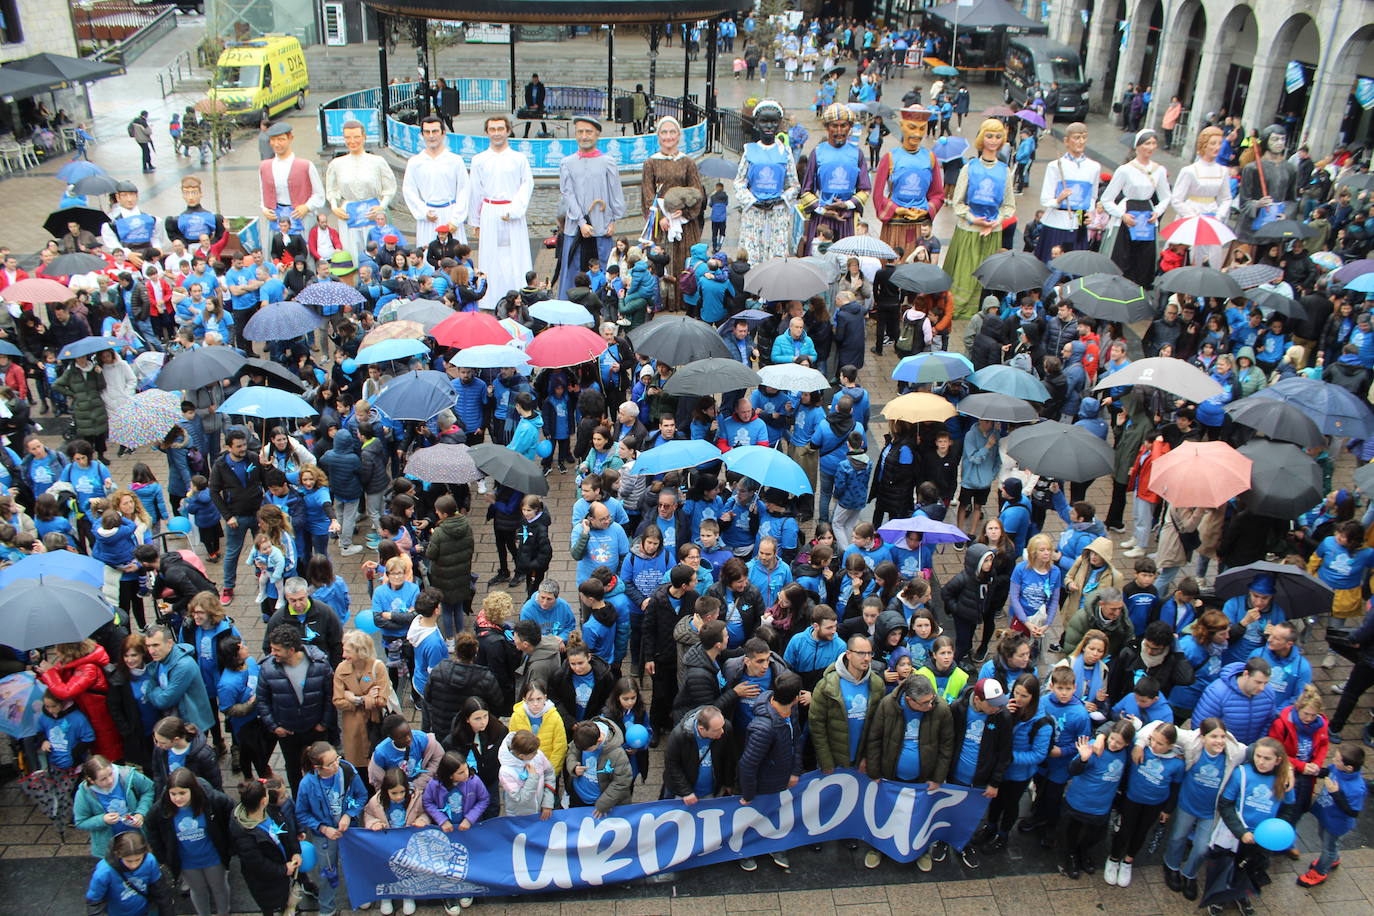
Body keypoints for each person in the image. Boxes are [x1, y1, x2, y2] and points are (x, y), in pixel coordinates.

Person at [863, 673, 952, 870]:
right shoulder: (887, 705)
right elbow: (874, 739)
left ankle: (920, 850)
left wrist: (938, 777)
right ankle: (877, 847)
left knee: (920, 817)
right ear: (909, 700)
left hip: (923, 779)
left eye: (932, 700)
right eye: (925, 703)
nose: (930, 705)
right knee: (884, 813)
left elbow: (947, 745)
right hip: (890, 776)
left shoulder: (941, 709)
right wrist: (875, 772)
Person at [945, 119, 1016, 317]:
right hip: (970, 230)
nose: (993, 141)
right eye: (989, 136)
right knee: (964, 274)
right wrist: (973, 219)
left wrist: (997, 220)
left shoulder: (1005, 171)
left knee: (987, 275)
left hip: (992, 232)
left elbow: (1009, 204)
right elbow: (957, 202)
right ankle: (960, 310)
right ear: (981, 138)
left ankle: (984, 310)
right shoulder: (969, 168)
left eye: (998, 136)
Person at [736, 671, 805, 872]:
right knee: (752, 818)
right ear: (794, 698)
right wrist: (748, 794)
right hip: (762, 784)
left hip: (780, 780)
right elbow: (748, 764)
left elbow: (796, 740)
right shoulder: (763, 728)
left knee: (774, 815)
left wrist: (795, 771)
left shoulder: (791, 712)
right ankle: (745, 852)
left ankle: (773, 846)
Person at [255, 625, 335, 795]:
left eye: (277, 650)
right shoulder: (268, 669)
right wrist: (274, 727)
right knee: (292, 767)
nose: (272, 653)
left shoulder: (319, 664)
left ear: (291, 650)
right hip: (288, 732)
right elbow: (262, 700)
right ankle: (300, 798)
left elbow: (330, 696)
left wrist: (323, 723)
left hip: (315, 729)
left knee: (320, 764)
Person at [944, 677, 1014, 870]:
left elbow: (1004, 753)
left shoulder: (1003, 717)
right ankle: (943, 841)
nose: (998, 708)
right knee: (948, 810)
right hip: (955, 775)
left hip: (981, 780)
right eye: (992, 704)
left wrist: (995, 782)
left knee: (969, 816)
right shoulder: (958, 708)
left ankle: (963, 845)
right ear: (977, 700)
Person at [145, 768, 234, 916]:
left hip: (213, 858)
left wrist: (230, 845)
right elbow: (150, 827)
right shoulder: (162, 808)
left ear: (192, 790)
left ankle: (224, 912)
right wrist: (163, 855)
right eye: (173, 794)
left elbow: (231, 811)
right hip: (187, 862)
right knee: (198, 891)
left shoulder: (211, 800)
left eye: (182, 793)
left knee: (219, 887)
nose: (177, 798)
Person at [467, 115, 534, 309]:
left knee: (516, 254)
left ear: (508, 130)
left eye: (500, 129)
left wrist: (515, 210)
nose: (497, 133)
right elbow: (476, 191)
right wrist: (476, 221)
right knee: (491, 255)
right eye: (492, 129)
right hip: (489, 210)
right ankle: (490, 297)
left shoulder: (518, 159)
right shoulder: (479, 160)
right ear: (487, 132)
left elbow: (526, 185)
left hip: (512, 210)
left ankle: (518, 295)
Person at [641, 116, 706, 313]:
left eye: (672, 132)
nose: (668, 137)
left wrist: (685, 212)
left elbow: (697, 191)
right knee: (663, 259)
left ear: (678, 136)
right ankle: (663, 301)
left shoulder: (687, 162)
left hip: (684, 221)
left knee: (685, 259)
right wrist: (659, 218)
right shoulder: (651, 163)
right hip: (662, 221)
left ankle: (685, 300)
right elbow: (647, 192)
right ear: (658, 136)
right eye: (664, 132)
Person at [557, 116, 626, 298]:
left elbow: (615, 192)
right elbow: (568, 194)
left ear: (597, 134)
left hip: (600, 226)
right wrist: (580, 222)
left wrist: (612, 220)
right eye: (580, 132)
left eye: (588, 132)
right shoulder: (567, 163)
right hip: (576, 228)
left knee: (602, 268)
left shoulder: (607, 162)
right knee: (573, 269)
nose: (584, 136)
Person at [296, 741, 367, 916]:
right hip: (324, 836)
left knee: (355, 864)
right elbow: (302, 813)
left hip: (350, 829)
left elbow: (362, 795)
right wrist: (322, 828)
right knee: (327, 871)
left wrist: (349, 814)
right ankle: (327, 908)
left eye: (337, 759)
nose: (337, 765)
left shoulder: (348, 771)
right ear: (317, 767)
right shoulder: (307, 784)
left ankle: (360, 894)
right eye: (331, 764)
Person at [1100, 130, 1171, 288]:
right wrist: (1122, 215)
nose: (1150, 147)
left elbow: (1166, 196)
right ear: (1137, 147)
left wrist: (1157, 212)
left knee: (1144, 259)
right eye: (1147, 143)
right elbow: (1106, 198)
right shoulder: (1125, 170)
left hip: (1146, 214)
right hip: (1128, 213)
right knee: (1123, 257)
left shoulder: (1159, 170)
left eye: (1153, 143)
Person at [798, 104, 871, 253]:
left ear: (849, 127)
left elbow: (865, 189)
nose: (839, 131)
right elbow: (805, 192)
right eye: (834, 126)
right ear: (827, 127)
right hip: (822, 219)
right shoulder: (817, 153)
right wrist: (823, 210)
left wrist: (847, 204)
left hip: (846, 219)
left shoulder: (857, 154)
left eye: (843, 126)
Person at [733, 100, 799, 263]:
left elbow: (794, 185)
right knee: (752, 257)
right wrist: (752, 201)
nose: (769, 126)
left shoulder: (786, 152)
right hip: (754, 213)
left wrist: (781, 199)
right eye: (764, 121)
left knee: (775, 260)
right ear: (756, 123)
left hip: (777, 213)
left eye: (773, 122)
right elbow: (739, 182)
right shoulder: (749, 150)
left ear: (779, 124)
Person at [873, 105, 943, 253]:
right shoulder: (890, 157)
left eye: (922, 129)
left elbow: (937, 194)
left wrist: (925, 210)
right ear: (902, 126)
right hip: (895, 223)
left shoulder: (930, 158)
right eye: (912, 128)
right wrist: (897, 209)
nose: (917, 134)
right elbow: (878, 195)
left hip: (920, 225)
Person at [326, 118, 398, 262]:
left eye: (356, 137)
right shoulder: (337, 164)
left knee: (376, 251)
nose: (352, 141)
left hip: (372, 213)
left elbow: (389, 188)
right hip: (349, 213)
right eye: (348, 137)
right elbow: (331, 190)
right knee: (352, 251)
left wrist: (382, 206)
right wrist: (334, 207)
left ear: (364, 137)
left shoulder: (377, 161)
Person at [229, 777, 303, 916]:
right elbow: (258, 865)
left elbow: (285, 829)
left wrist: (295, 851)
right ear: (263, 801)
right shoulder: (244, 835)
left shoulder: (269, 810)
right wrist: (284, 869)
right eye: (267, 793)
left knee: (284, 897)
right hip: (266, 885)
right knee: (273, 907)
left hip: (281, 874)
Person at [403, 114, 469, 250]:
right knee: (428, 258)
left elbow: (464, 189)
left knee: (455, 259)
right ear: (422, 134)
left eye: (435, 131)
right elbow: (409, 190)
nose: (431, 136)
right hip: (429, 217)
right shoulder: (415, 162)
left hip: (450, 214)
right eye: (427, 132)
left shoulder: (455, 160)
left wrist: (456, 219)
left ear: (443, 133)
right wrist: (424, 211)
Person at [1036, 122, 1100, 261]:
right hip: (1056, 223)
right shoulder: (1055, 166)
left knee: (1075, 268)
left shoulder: (1093, 167)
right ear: (1066, 141)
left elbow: (1092, 197)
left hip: (1078, 223)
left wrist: (1089, 215)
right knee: (1051, 266)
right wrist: (1058, 200)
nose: (1081, 141)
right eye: (1076, 137)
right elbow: (1045, 199)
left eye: (1084, 137)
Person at [73, 754, 156, 859]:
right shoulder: (84, 793)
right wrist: (102, 820)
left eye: (111, 774)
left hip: (139, 839)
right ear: (91, 780)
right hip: (109, 848)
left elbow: (148, 789)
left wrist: (141, 812)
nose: (110, 780)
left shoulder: (128, 776)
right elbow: (80, 822)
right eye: (103, 779)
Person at [85, 830, 175, 916]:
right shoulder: (104, 872)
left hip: (145, 911)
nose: (133, 865)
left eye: (137, 860)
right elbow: (94, 903)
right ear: (118, 854)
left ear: (145, 853)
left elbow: (161, 891)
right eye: (129, 861)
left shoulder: (150, 861)